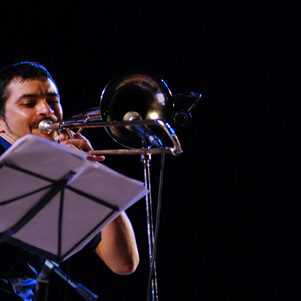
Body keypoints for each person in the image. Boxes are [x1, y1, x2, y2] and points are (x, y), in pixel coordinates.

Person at [0, 61, 140, 300]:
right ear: (1, 123)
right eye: (29, 103)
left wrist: (93, 173)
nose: (47, 110)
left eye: (53, 101)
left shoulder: (62, 172)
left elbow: (123, 263)